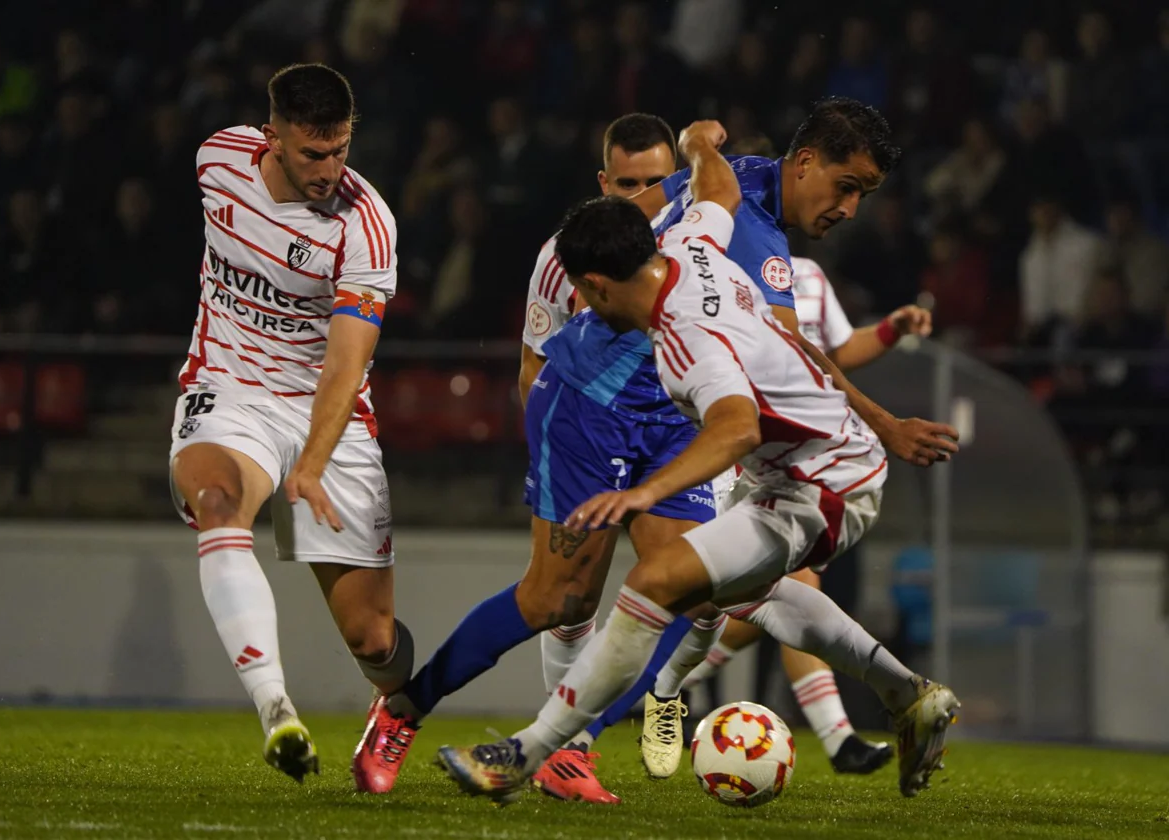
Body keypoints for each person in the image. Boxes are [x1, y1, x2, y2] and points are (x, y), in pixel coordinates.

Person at [437, 121, 960, 803]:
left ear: (601, 287)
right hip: (814, 456)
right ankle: (908, 695)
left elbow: (736, 428)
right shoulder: (692, 241)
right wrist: (698, 143)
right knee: (743, 592)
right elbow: (717, 189)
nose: (589, 314)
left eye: (589, 300)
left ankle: (526, 754)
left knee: (655, 581)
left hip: (822, 480)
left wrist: (641, 494)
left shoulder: (688, 342)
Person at [353, 113, 711, 803]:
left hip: (673, 427)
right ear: (603, 182)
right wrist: (555, 458)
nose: (643, 199)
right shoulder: (565, 254)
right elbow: (531, 364)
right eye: (627, 184)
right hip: (590, 425)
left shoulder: (703, 231)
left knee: (694, 595)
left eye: (656, 183)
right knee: (558, 600)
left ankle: (570, 746)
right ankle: (402, 711)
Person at [169, 63, 410, 783]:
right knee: (217, 503)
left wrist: (310, 460)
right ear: (271, 138)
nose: (330, 169)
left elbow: (345, 365)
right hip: (228, 390)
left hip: (326, 413)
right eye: (313, 154)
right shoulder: (218, 160)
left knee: (372, 639)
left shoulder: (366, 226)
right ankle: (276, 707)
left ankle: (395, 703)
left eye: (341, 151)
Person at [669, 256, 932, 770]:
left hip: (804, 460)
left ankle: (664, 682)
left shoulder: (805, 273)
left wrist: (888, 329)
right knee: (760, 593)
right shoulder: (699, 263)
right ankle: (843, 736)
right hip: (737, 451)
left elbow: (834, 351)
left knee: (754, 598)